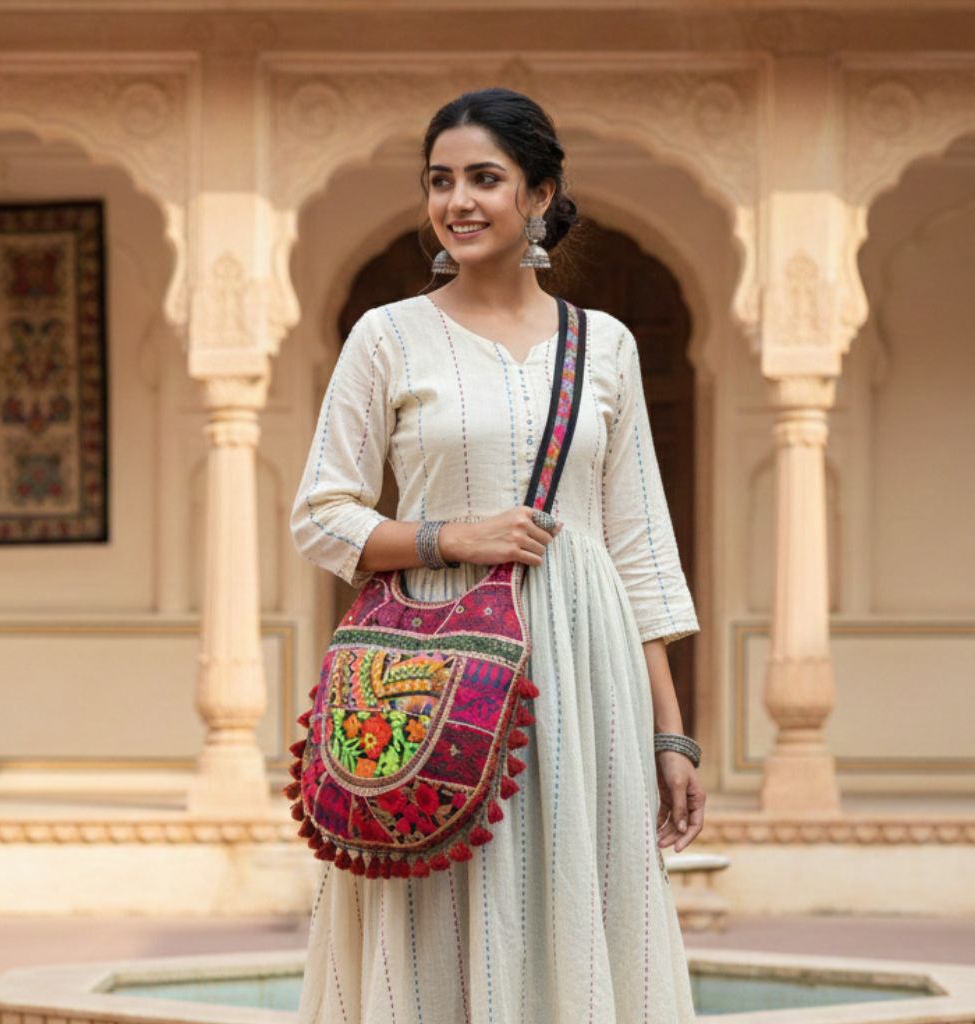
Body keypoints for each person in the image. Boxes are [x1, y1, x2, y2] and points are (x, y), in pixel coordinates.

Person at [290, 87, 705, 1024]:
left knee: (579, 894)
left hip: (584, 664)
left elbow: (638, 548)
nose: (458, 201)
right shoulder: (388, 335)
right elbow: (321, 517)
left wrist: (669, 734)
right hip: (440, 664)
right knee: (434, 903)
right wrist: (447, 537)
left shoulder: (605, 345)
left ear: (541, 194)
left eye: (486, 178)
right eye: (440, 181)